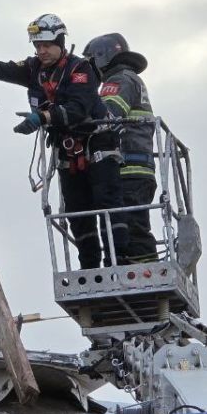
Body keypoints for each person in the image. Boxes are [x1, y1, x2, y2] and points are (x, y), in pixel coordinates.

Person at [0, 14, 127, 269]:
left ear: (60, 42)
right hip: (68, 151)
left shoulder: (80, 69)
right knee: (77, 214)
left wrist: (41, 117)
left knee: (108, 207)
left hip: (97, 145)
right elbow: (5, 69)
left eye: (46, 45)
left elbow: (78, 109)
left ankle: (118, 265)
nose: (41, 51)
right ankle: (91, 269)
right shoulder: (34, 70)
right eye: (37, 46)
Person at [83, 33, 158, 264]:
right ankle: (136, 266)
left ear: (101, 58)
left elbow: (106, 117)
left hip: (127, 167)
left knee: (131, 225)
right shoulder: (131, 78)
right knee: (133, 223)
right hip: (139, 166)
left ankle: (144, 271)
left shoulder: (118, 81)